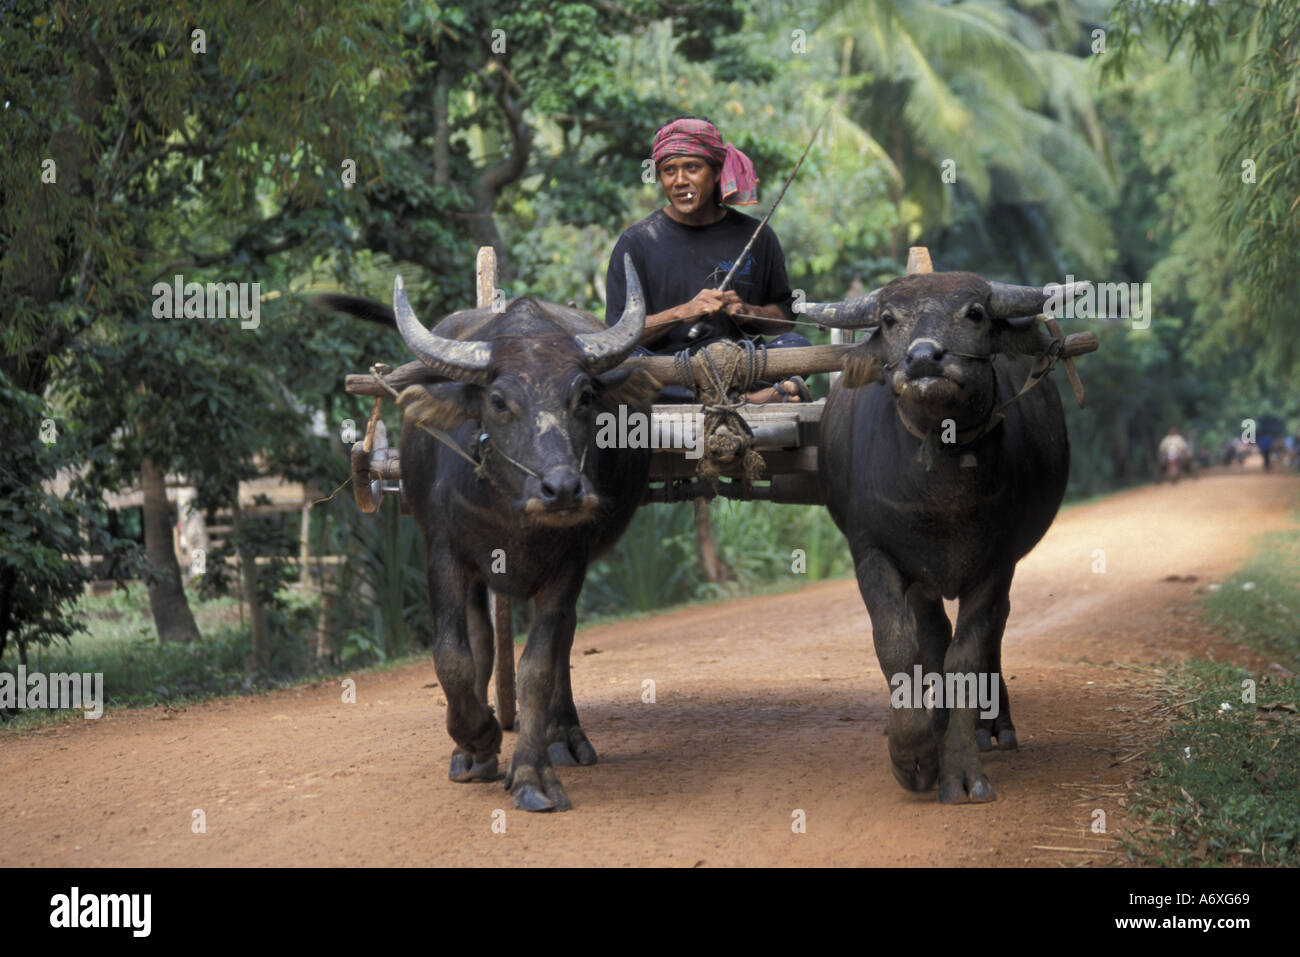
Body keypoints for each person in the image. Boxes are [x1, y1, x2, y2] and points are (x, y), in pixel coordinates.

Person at [604, 117, 812, 403]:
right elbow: (617, 335)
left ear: (716, 172)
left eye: (692, 168)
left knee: (797, 346)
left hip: (742, 368)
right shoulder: (636, 242)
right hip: (671, 374)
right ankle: (751, 401)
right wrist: (682, 312)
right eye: (668, 171)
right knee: (623, 365)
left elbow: (785, 319)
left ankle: (737, 396)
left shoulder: (757, 235)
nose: (679, 181)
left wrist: (748, 312)